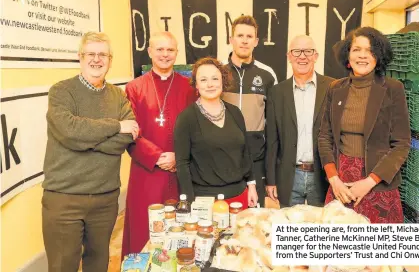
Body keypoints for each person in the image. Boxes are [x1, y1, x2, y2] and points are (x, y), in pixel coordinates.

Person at [42, 32, 138, 272]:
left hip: (105, 198)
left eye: (102, 54)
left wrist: (83, 138)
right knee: (63, 266)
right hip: (65, 198)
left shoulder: (118, 95)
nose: (97, 60)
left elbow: (127, 139)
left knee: (98, 265)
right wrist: (114, 126)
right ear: (80, 57)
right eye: (91, 54)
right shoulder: (61, 91)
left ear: (110, 59)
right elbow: (69, 131)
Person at [318, 27, 411, 223]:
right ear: (347, 55)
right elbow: (324, 137)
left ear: (379, 56)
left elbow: (401, 144)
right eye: (356, 49)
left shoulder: (393, 89)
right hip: (341, 184)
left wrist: (369, 182)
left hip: (378, 183)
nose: (362, 55)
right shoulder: (335, 88)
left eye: (370, 50)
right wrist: (334, 179)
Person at [122, 31, 197, 257]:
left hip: (181, 169)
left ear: (176, 53)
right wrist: (157, 156)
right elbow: (129, 132)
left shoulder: (189, 86)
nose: (165, 54)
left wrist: (178, 155)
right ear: (150, 52)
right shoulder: (134, 88)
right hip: (147, 172)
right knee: (145, 232)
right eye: (160, 49)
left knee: (181, 233)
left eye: (170, 50)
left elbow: (197, 129)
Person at [175, 57, 259, 208]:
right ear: (196, 84)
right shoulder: (186, 117)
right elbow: (182, 164)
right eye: (203, 79)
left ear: (223, 81)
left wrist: (252, 186)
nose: (210, 84)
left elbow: (246, 152)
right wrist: (188, 203)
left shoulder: (235, 112)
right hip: (204, 201)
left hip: (239, 196)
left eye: (215, 78)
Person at [265, 35, 334, 207]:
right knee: (289, 228)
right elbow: (272, 140)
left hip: (322, 176)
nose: (302, 56)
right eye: (296, 51)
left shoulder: (333, 87)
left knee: (319, 229)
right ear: (289, 56)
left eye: (308, 51)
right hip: (289, 176)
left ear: (316, 56)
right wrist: (271, 180)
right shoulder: (276, 93)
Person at [222, 15, 278, 207]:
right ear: (231, 40)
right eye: (239, 35)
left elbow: (273, 125)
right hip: (224, 156)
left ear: (256, 41)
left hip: (256, 159)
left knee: (254, 215)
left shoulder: (267, 74)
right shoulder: (218, 72)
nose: (244, 40)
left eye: (249, 36)